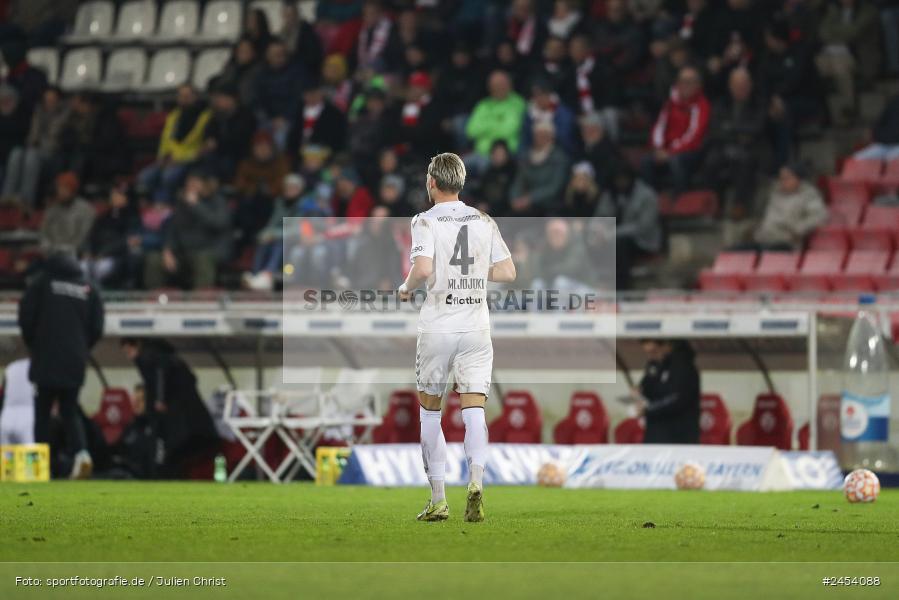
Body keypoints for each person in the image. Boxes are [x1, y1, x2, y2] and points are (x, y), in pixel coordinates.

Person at [397, 153, 516, 523]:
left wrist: (406, 287)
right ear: (460, 182)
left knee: (430, 413)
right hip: (476, 328)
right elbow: (509, 272)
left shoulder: (424, 221)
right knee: (474, 408)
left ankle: (438, 499)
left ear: (432, 182)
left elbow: (424, 268)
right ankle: (476, 481)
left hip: (438, 327)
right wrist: (476, 273)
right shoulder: (483, 220)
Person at [18, 248, 104, 478]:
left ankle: (38, 466)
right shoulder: (89, 287)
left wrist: (35, 344)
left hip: (45, 357)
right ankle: (82, 455)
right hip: (74, 360)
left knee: (42, 413)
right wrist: (81, 348)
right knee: (70, 411)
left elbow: (25, 317)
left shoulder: (41, 284)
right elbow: (97, 327)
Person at [120, 339, 220, 479]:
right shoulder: (173, 361)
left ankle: (161, 474)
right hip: (192, 424)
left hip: (175, 422)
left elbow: (158, 377)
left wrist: (159, 400)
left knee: (168, 449)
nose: (129, 356)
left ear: (136, 346)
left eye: (128, 351)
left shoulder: (150, 359)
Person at [143, 171, 230, 290]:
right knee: (154, 259)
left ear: (205, 184)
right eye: (189, 183)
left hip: (208, 250)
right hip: (183, 252)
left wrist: (196, 205)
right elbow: (172, 228)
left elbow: (219, 223)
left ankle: (202, 301)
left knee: (203, 259)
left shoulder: (216, 201)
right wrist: (167, 250)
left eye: (195, 183)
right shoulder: (181, 203)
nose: (191, 186)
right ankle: (154, 300)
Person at [137, 85, 211, 205]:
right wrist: (161, 157)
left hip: (191, 161)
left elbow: (202, 148)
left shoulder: (205, 117)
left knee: (169, 176)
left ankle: (165, 206)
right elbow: (165, 140)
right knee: (145, 176)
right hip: (169, 159)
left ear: (196, 97)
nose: (184, 99)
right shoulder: (174, 116)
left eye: (187, 96)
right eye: (181, 96)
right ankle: (151, 206)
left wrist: (178, 159)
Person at [641, 66, 710, 195]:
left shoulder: (701, 105)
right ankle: (651, 198)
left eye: (690, 82)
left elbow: (695, 134)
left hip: (690, 151)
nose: (686, 85)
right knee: (646, 161)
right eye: (683, 81)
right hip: (667, 150)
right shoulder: (670, 103)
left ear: (698, 85)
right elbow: (659, 128)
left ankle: (680, 199)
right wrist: (658, 148)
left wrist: (671, 151)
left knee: (676, 161)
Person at [2, 86, 70, 208]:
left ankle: (25, 200)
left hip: (53, 153)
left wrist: (37, 144)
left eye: (52, 100)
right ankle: (7, 197)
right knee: (16, 153)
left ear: (58, 100)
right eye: (46, 100)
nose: (49, 103)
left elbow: (54, 136)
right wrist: (32, 143)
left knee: (31, 157)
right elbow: (33, 134)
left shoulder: (64, 113)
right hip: (36, 149)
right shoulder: (38, 111)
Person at [594, 167, 661, 290]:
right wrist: (599, 230)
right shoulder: (610, 194)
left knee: (619, 245)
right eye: (617, 180)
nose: (621, 183)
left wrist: (613, 233)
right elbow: (601, 216)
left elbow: (644, 227)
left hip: (642, 241)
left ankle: (621, 289)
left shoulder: (646, 195)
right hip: (612, 237)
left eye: (623, 179)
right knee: (593, 241)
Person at [634, 339, 700, 444]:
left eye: (654, 352)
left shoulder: (684, 367)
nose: (651, 356)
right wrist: (640, 392)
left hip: (678, 434)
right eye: (647, 353)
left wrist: (649, 410)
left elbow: (677, 399)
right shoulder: (654, 366)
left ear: (667, 346)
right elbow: (647, 387)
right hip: (655, 432)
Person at [750, 163, 827, 251]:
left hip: (786, 243)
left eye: (787, 178)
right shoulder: (775, 193)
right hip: (764, 240)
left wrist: (798, 229)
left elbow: (819, 216)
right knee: (737, 251)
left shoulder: (808, 195)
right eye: (781, 178)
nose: (783, 181)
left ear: (798, 179)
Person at [465, 70, 527, 160]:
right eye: (496, 86)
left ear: (509, 85)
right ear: (490, 88)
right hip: (480, 153)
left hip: (506, 154)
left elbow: (510, 129)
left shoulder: (517, 103)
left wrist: (486, 127)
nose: (499, 88)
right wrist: (498, 122)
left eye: (502, 84)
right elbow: (471, 131)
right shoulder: (483, 105)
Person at [39, 171, 95, 253]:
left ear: (73, 190)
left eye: (64, 188)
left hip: (74, 255)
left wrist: (66, 249)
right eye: (59, 188)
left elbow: (84, 238)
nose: (61, 191)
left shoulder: (86, 210)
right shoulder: (52, 209)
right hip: (51, 253)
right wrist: (47, 246)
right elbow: (44, 232)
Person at [0, 358, 35, 445]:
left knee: (5, 454)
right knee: (30, 454)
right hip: (28, 415)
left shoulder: (11, 367)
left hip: (7, 415)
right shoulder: (38, 366)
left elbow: (3, 392)